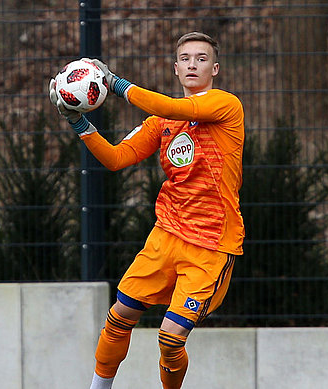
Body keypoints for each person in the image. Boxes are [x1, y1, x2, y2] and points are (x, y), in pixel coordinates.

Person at [49, 31, 245, 389]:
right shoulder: (161, 124)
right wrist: (79, 123)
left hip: (211, 244)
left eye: (201, 59)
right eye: (185, 58)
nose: (192, 64)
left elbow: (173, 107)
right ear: (175, 68)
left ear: (214, 69)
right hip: (166, 236)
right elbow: (116, 158)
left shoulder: (225, 105)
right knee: (119, 317)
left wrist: (116, 83)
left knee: (170, 339)